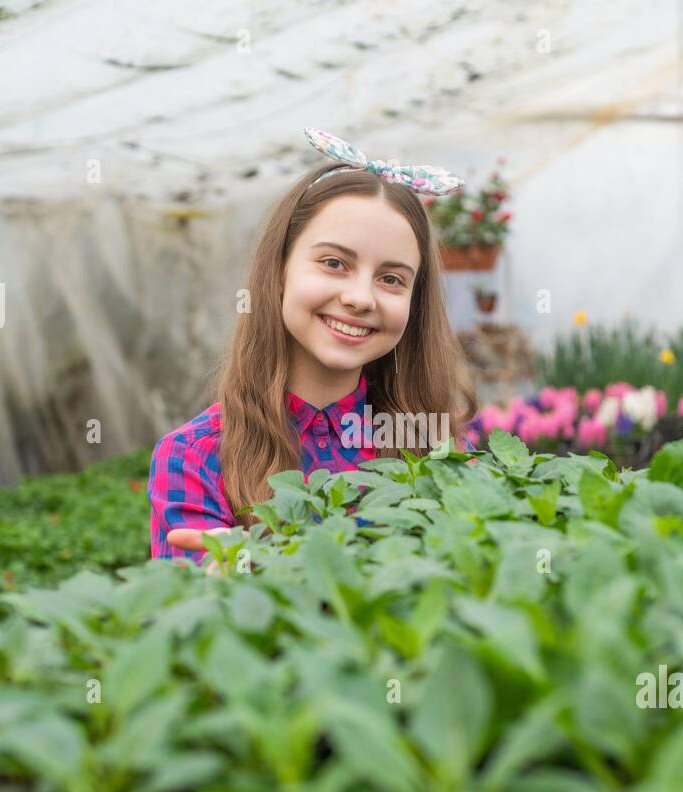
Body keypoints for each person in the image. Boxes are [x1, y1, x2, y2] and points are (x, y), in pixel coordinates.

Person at [149, 128, 479, 572]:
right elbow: (192, 625)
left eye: (392, 278)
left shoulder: (434, 444)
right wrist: (227, 580)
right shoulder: (195, 455)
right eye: (334, 263)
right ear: (280, 270)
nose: (361, 297)